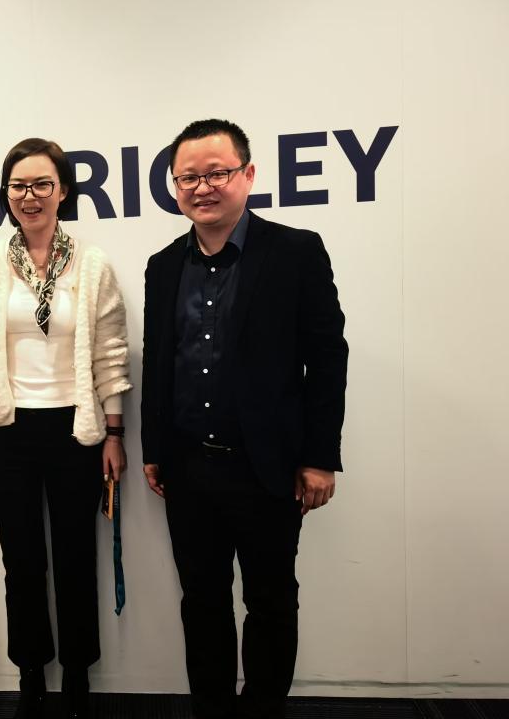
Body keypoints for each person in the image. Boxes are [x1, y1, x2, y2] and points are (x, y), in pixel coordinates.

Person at [141, 119, 348, 719]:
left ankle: (263, 709)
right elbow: (159, 361)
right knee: (201, 601)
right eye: (188, 178)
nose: (202, 187)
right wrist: (155, 448)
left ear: (248, 174)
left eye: (217, 173)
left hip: (267, 467)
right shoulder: (163, 265)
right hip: (188, 468)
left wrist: (319, 457)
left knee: (271, 601)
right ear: (174, 187)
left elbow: (326, 359)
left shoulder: (295, 252)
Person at [0, 138, 131, 719]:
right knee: (22, 558)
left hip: (75, 432)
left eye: (41, 184)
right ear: (5, 193)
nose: (28, 196)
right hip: (8, 432)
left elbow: (110, 353)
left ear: (62, 191)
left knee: (76, 556)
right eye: (18, 186)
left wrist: (114, 433)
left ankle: (78, 672)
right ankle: (31, 669)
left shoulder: (92, 263)